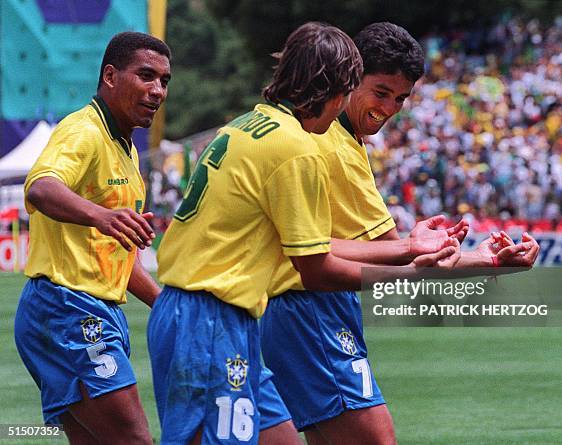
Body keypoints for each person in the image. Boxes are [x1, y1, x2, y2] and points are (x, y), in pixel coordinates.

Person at [147, 22, 459, 445]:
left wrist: (410, 246)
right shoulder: (298, 150)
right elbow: (316, 269)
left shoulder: (246, 125)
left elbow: (312, 246)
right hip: (210, 320)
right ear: (336, 90)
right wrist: (412, 271)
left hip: (218, 315)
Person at [260, 22, 540, 445]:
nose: (388, 108)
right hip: (307, 311)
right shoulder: (331, 144)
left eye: (401, 98)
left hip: (303, 309)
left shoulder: (338, 139)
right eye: (380, 92)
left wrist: (469, 257)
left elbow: (393, 249)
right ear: (351, 79)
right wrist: (485, 261)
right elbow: (397, 252)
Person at [14, 32, 171, 444]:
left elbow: (122, 262)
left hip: (95, 310)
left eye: (164, 81)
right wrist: (103, 216)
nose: (157, 90)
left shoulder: (129, 151)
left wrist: (169, 305)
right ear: (110, 75)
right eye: (146, 76)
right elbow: (40, 189)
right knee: (136, 439)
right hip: (66, 307)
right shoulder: (83, 131)